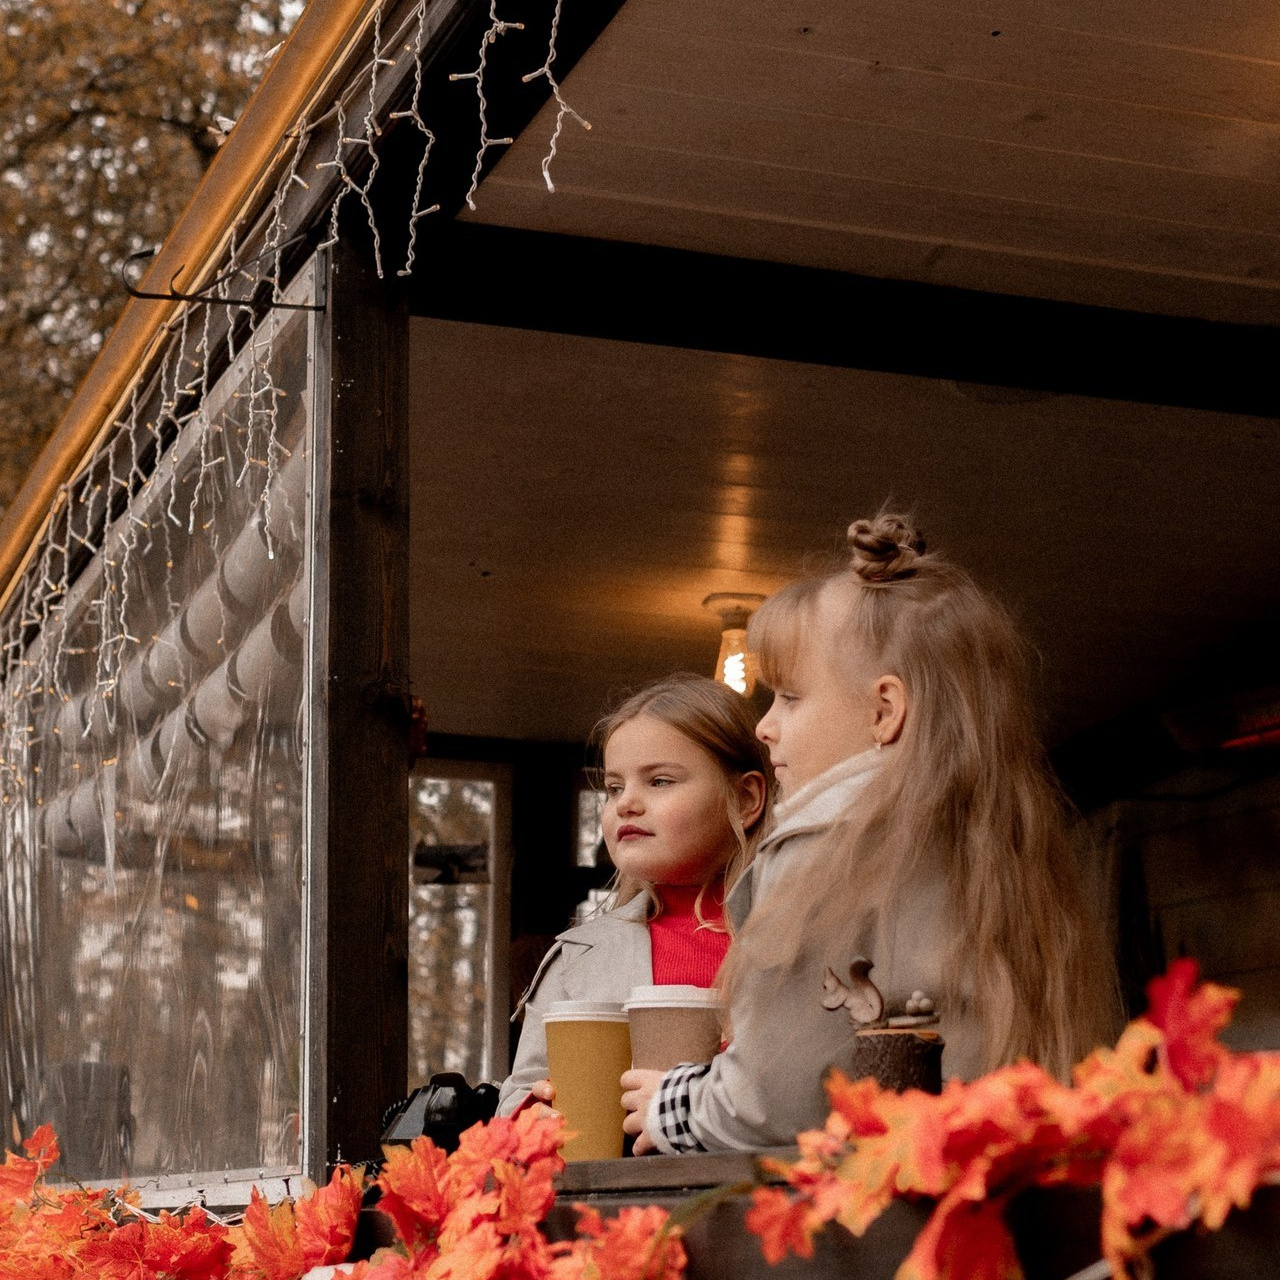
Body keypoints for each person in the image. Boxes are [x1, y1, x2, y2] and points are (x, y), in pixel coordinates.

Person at [621, 513, 1121, 1153]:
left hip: (870, 1220)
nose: (765, 728)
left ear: (886, 711)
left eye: (790, 698)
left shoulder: (823, 845)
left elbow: (774, 1099)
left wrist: (678, 1105)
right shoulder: (1007, 846)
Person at [496, 674, 771, 1116]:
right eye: (614, 788)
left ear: (745, 798)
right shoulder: (577, 958)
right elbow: (517, 1094)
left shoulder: (799, 936)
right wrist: (532, 1114)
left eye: (660, 781)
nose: (626, 804)